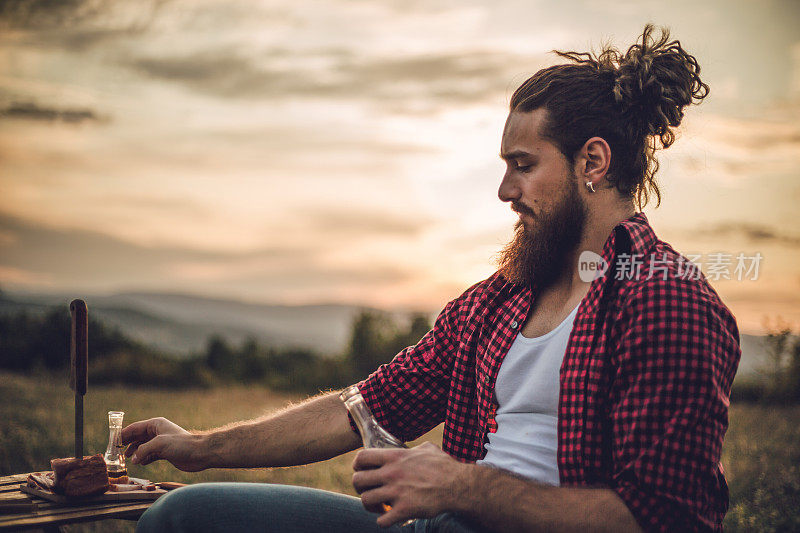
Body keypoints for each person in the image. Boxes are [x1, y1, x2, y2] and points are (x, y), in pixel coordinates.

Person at [123, 24, 740, 533]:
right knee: (184, 516)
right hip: (434, 525)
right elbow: (359, 412)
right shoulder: (496, 303)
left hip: (464, 519)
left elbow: (668, 519)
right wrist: (200, 448)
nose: (505, 191)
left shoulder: (667, 301)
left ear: (594, 161)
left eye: (522, 167)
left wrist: (461, 484)